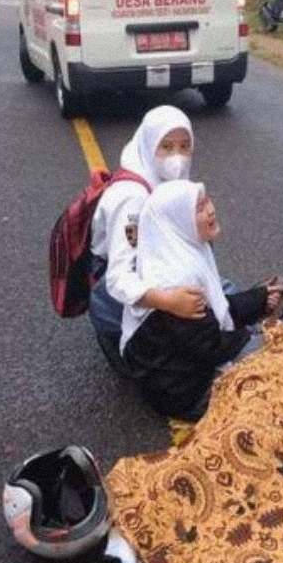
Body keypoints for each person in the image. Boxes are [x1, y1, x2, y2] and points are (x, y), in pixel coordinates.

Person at [120, 180, 283, 421]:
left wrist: (261, 299)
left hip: (175, 374)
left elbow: (214, 310)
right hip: (188, 394)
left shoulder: (172, 254)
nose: (210, 210)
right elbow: (212, 347)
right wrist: (266, 334)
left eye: (207, 201)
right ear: (177, 221)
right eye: (199, 209)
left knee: (273, 328)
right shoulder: (177, 281)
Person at [89, 106, 208, 372]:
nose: (177, 157)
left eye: (184, 146)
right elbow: (118, 276)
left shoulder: (167, 183)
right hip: (115, 292)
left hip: (155, 265)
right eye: (165, 147)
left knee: (216, 295)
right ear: (148, 146)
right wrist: (166, 302)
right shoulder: (132, 197)